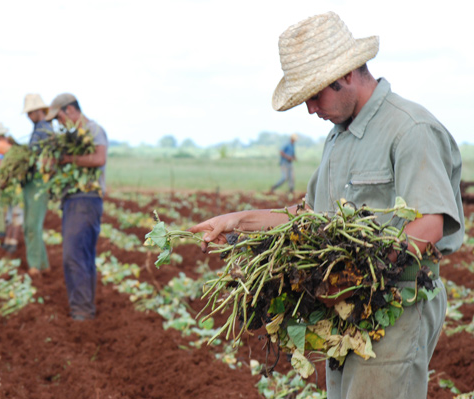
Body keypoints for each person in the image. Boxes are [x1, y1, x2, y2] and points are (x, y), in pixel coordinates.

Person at [188, 12, 464, 399]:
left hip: (396, 306)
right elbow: (310, 219)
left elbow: (428, 226)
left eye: (315, 95)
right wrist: (237, 220)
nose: (311, 109)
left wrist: (355, 279)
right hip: (346, 311)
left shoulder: (410, 129)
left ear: (347, 74)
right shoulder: (339, 137)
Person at [45, 93, 108, 321]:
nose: (58, 123)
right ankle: (84, 309)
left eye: (59, 118)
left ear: (70, 110)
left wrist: (68, 159)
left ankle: (82, 311)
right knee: (82, 256)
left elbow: (99, 159)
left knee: (74, 256)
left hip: (86, 199)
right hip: (75, 200)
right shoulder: (72, 136)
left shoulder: (93, 130)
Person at [21, 94, 53, 276]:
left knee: (32, 226)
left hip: (38, 182)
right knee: (31, 225)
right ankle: (43, 264)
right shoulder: (38, 129)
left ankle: (34, 266)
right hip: (32, 182)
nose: (28, 116)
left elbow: (36, 158)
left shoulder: (45, 130)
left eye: (30, 112)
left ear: (39, 111)